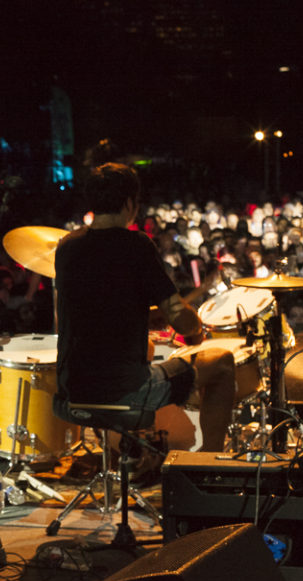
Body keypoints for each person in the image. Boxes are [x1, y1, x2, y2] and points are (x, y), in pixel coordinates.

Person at [55, 163, 236, 456]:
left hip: (72, 392)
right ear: (130, 203)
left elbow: (77, 315)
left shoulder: (66, 247)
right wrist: (196, 329)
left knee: (148, 349)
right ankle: (208, 463)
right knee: (222, 361)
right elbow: (179, 316)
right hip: (125, 395)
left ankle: (139, 457)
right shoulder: (137, 245)